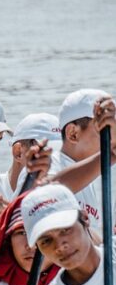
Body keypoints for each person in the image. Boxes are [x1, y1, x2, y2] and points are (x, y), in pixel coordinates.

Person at [47, 88, 112, 236]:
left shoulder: (94, 177)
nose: (111, 138)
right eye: (104, 130)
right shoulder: (46, 166)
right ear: (73, 133)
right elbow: (45, 193)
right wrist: (110, 155)